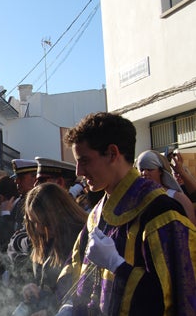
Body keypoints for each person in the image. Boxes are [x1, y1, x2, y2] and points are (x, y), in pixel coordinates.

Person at [59, 112, 196, 315]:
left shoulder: (160, 211)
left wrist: (117, 266)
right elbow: (76, 268)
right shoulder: (97, 214)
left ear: (113, 153)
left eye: (85, 160)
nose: (78, 171)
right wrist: (70, 304)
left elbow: (176, 297)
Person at [12, 183, 87, 316]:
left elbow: (83, 289)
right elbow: (37, 273)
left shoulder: (80, 238)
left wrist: (49, 311)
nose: (37, 228)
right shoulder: (45, 238)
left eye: (40, 222)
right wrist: (31, 286)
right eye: (32, 222)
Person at [135, 149, 196, 225]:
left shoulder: (178, 198)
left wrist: (181, 172)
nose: (144, 173)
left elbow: (191, 229)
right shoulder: (135, 200)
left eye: (150, 169)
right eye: (141, 169)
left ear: (160, 171)